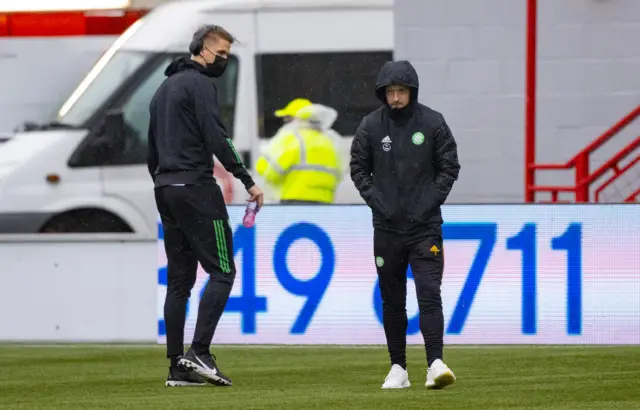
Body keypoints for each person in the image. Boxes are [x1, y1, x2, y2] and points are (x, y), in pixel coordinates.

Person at [147, 24, 264, 387]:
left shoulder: (162, 90)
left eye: (229, 55)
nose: (224, 60)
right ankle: (199, 351)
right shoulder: (200, 85)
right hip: (196, 188)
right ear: (200, 49)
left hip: (166, 189)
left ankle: (176, 366)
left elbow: (151, 149)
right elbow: (216, 134)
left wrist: (164, 181)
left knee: (179, 280)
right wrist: (246, 179)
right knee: (223, 270)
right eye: (220, 53)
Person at [349, 60, 461, 390]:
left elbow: (449, 167)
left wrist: (428, 203)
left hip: (425, 227)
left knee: (429, 293)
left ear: (411, 92)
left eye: (401, 92)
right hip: (386, 230)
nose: (395, 98)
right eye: (390, 92)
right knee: (393, 300)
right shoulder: (370, 126)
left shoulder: (433, 123)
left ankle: (435, 363)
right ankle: (398, 368)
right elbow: (357, 169)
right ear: (382, 94)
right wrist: (378, 202)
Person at [255, 102, 343, 204]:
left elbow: (268, 172)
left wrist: (268, 151)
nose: (285, 123)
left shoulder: (293, 140)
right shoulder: (329, 142)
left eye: (287, 119)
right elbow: (338, 175)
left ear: (296, 118)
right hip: (325, 202)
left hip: (295, 201)